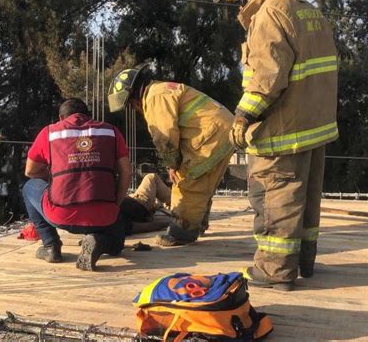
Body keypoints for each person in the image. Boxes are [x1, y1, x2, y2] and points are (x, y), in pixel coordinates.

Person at [214, 0, 338, 290]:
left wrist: (243, 116)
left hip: (282, 130)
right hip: (314, 126)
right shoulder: (304, 8)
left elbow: (267, 77)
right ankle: (305, 260)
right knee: (306, 198)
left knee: (275, 198)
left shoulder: (268, 14)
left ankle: (274, 270)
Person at [108, 67, 234, 246]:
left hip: (211, 136)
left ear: (135, 97)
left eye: (130, 104)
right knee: (204, 183)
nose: (135, 109)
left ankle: (182, 232)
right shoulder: (163, 89)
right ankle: (197, 224)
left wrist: (172, 164)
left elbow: (165, 136)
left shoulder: (154, 98)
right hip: (223, 131)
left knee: (187, 183)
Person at [22, 98, 132, 271]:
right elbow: (126, 173)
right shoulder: (110, 131)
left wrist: (54, 180)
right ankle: (101, 242)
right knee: (117, 245)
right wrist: (115, 206)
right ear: (89, 116)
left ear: (60, 117)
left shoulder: (49, 132)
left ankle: (51, 246)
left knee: (29, 186)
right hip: (105, 216)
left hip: (61, 215)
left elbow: (30, 171)